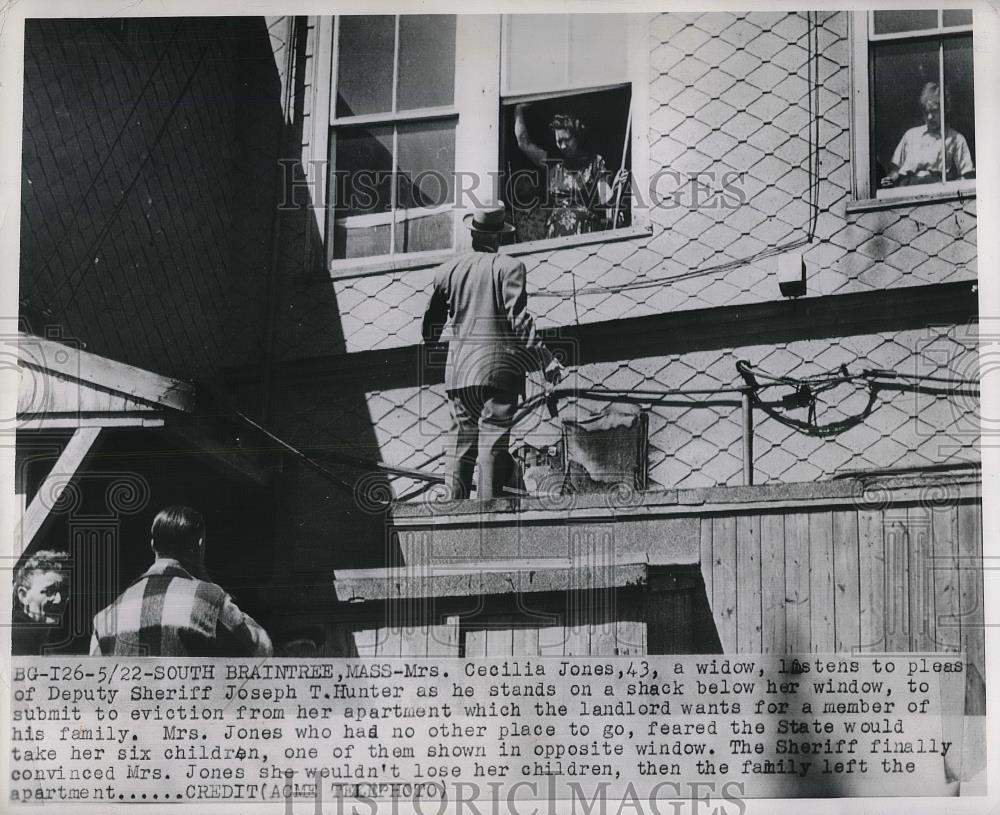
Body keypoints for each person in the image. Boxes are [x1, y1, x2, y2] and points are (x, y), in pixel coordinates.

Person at [422, 203, 564, 500]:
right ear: (499, 236)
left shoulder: (447, 271)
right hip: (499, 373)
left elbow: (429, 329)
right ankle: (489, 518)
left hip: (460, 374)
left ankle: (454, 518)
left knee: (460, 449)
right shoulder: (509, 268)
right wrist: (546, 360)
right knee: (491, 447)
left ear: (473, 233)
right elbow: (520, 320)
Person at [90, 506, 272, 657]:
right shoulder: (211, 599)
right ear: (200, 545)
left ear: (153, 545)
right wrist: (212, 586)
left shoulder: (106, 616)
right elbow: (263, 650)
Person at [515, 104, 628, 238]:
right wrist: (518, 109)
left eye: (567, 140)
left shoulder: (595, 163)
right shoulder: (553, 163)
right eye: (558, 141)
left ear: (577, 136)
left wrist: (616, 187)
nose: (562, 146)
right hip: (556, 233)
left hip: (584, 232)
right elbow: (523, 143)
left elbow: (606, 199)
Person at [880, 81, 974, 188]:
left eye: (934, 111)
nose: (929, 117)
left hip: (936, 191)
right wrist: (890, 180)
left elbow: (967, 175)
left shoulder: (956, 139)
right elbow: (895, 171)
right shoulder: (910, 136)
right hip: (907, 191)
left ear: (945, 109)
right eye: (926, 112)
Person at [12, 549, 70, 655]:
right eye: (49, 591)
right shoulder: (13, 640)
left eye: (64, 592)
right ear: (23, 595)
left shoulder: (44, 645)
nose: (59, 599)